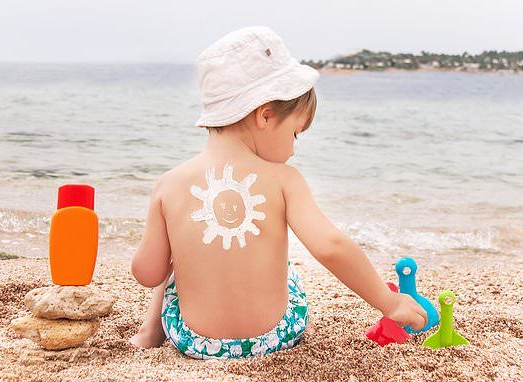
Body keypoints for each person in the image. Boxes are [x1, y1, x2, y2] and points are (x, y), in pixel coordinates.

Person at [129, 26, 427, 360]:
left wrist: (177, 253)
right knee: (287, 269)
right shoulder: (285, 179)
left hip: (194, 341)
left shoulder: (169, 183)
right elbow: (330, 246)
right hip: (275, 336)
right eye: (295, 134)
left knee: (172, 267)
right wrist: (389, 302)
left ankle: (148, 333)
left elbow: (147, 273)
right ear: (266, 115)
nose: (293, 150)